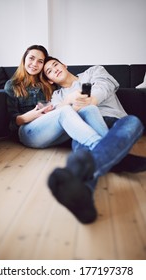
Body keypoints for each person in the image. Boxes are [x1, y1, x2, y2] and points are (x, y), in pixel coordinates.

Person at [42, 56, 146, 224]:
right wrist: (70, 105)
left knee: (133, 122)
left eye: (55, 65)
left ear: (64, 64)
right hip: (85, 128)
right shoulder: (57, 96)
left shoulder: (93, 71)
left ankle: (83, 181)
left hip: (115, 121)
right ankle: (118, 163)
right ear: (50, 79)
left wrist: (92, 100)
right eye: (49, 71)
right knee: (81, 145)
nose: (54, 69)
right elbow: (58, 115)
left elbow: (106, 84)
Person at [4, 45, 112, 149]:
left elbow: (58, 109)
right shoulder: (13, 85)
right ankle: (103, 147)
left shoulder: (50, 85)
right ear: (24, 60)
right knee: (65, 110)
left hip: (53, 129)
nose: (35, 64)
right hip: (28, 130)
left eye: (40, 61)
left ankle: (111, 149)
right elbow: (12, 120)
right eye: (31, 58)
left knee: (89, 108)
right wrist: (31, 116)